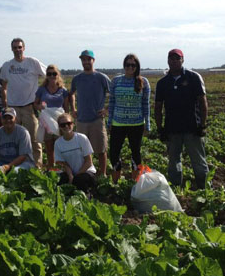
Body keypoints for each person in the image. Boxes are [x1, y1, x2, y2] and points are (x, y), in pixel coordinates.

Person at [155, 49, 209, 189]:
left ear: (182, 60)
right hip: (172, 129)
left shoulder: (193, 77)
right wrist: (160, 128)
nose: (174, 61)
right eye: (171, 58)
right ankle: (176, 189)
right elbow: (158, 107)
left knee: (198, 161)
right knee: (173, 162)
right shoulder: (162, 83)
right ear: (168, 61)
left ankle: (204, 189)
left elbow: (203, 102)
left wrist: (202, 125)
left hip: (193, 128)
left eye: (177, 58)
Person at [0, 38, 46, 168]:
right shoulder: (7, 66)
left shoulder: (32, 62)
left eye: (19, 47)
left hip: (29, 107)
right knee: (15, 139)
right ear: (12, 49)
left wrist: (41, 95)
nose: (17, 50)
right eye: (15, 47)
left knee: (34, 139)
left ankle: (37, 167)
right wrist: (5, 105)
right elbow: (3, 86)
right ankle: (16, 167)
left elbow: (48, 75)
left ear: (24, 48)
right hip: (13, 108)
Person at [107, 54, 151, 183]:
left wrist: (147, 124)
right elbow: (112, 102)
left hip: (136, 124)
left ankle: (135, 183)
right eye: (127, 65)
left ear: (137, 67)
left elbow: (145, 105)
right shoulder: (116, 81)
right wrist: (109, 122)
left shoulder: (143, 82)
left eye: (133, 65)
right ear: (124, 66)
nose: (130, 67)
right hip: (118, 123)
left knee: (136, 154)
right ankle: (115, 182)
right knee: (114, 153)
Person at [70, 50, 110, 176]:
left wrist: (107, 110)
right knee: (82, 150)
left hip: (96, 120)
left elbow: (114, 93)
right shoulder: (77, 78)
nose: (86, 62)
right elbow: (71, 94)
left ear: (93, 60)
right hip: (81, 120)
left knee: (101, 149)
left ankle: (102, 174)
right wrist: (73, 109)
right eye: (84, 59)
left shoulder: (101, 77)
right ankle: (86, 172)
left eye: (88, 59)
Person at [34, 64, 69, 170]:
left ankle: (61, 169)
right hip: (47, 122)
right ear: (46, 76)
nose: (52, 76)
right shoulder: (42, 89)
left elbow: (66, 108)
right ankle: (51, 168)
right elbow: (35, 104)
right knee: (49, 148)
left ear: (58, 75)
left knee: (60, 146)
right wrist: (40, 106)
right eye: (49, 74)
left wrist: (67, 122)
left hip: (59, 121)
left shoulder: (63, 90)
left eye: (54, 74)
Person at [54, 113, 96, 193]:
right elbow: (63, 164)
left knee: (80, 181)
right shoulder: (58, 143)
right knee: (60, 180)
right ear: (59, 127)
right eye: (63, 125)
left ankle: (87, 196)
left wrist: (76, 176)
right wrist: (70, 176)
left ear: (73, 124)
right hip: (70, 173)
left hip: (86, 171)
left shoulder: (81, 138)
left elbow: (88, 162)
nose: (66, 126)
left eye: (68, 123)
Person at [0, 107, 35, 173]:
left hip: (23, 163)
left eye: (10, 118)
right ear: (1, 120)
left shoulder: (23, 132)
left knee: (14, 172)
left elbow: (23, 156)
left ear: (15, 119)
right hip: (2, 163)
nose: (8, 120)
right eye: (5, 118)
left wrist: (7, 167)